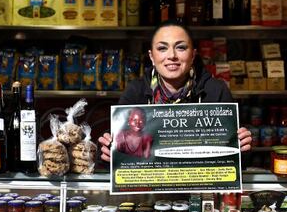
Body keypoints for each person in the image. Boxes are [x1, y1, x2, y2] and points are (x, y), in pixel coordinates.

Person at [99, 20, 252, 162]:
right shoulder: (135, 91)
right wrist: (109, 152)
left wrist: (243, 147)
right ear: (152, 56)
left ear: (193, 55)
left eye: (181, 47)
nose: (172, 56)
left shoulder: (215, 90)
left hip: (200, 187)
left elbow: (236, 159)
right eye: (162, 48)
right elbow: (118, 157)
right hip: (149, 187)